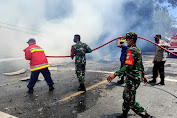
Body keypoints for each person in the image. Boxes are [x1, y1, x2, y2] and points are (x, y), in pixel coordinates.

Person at [107, 32, 154, 118]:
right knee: (126, 96)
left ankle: (147, 116)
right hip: (135, 77)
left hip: (132, 78)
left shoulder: (131, 50)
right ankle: (124, 114)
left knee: (129, 100)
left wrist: (115, 74)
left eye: (127, 39)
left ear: (131, 40)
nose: (125, 41)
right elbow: (139, 64)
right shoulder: (138, 49)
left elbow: (128, 65)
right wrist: (142, 75)